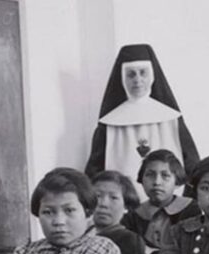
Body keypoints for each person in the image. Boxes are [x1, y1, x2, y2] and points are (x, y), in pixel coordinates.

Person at [84, 44, 199, 199]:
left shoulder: (171, 117)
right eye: (131, 75)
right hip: (124, 206)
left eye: (143, 73)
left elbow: (192, 164)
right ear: (122, 78)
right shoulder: (109, 123)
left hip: (171, 206)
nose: (137, 80)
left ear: (151, 75)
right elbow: (94, 171)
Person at [122, 149, 201, 250]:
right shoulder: (133, 215)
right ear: (141, 179)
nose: (157, 182)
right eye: (150, 175)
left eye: (165, 176)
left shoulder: (191, 209)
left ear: (177, 182)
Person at [91, 170, 147, 254]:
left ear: (126, 206)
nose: (103, 204)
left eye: (113, 198)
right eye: (98, 196)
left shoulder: (129, 241)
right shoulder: (77, 235)